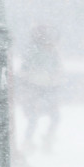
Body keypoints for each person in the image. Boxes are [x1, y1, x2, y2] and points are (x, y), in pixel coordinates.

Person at [18, 24, 64, 153]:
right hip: (35, 88)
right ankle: (31, 141)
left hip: (46, 88)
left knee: (53, 117)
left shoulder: (52, 52)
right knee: (35, 117)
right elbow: (26, 69)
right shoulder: (33, 51)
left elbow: (56, 69)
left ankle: (42, 140)